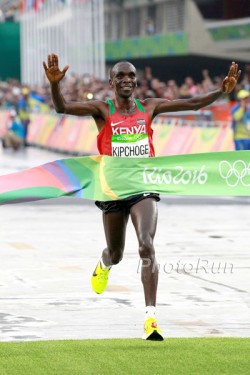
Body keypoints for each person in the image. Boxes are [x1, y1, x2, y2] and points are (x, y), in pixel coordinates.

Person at [43, 54, 240, 341]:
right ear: (111, 82)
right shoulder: (102, 109)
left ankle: (151, 320)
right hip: (111, 189)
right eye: (120, 76)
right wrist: (55, 86)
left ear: (136, 81)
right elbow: (61, 107)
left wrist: (221, 91)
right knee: (117, 253)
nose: (126, 80)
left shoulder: (149, 107)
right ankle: (104, 264)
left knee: (146, 245)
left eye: (131, 75)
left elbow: (193, 104)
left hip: (143, 184)